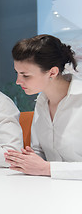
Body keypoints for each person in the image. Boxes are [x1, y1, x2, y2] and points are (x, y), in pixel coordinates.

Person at [5, 34, 82, 180]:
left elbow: (45, 167)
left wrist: (47, 168)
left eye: (25, 75)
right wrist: (26, 160)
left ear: (52, 72)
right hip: (48, 190)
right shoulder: (41, 103)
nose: (17, 81)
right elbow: (39, 151)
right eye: (17, 73)